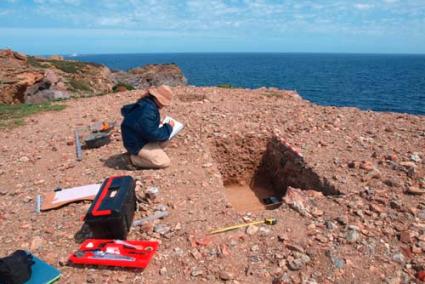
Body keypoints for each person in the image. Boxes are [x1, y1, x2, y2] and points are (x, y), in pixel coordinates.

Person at [120, 85, 175, 169]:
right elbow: (152, 134)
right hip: (136, 142)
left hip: (137, 138)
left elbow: (143, 124)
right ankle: (131, 159)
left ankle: (143, 154)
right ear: (157, 98)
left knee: (165, 139)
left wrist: (156, 124)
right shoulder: (147, 110)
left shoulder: (146, 104)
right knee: (163, 162)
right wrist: (168, 127)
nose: (164, 105)